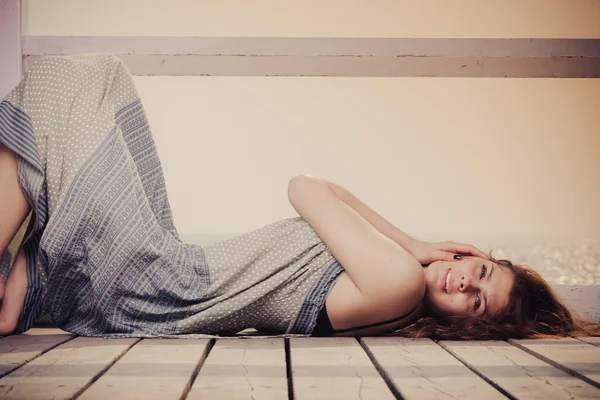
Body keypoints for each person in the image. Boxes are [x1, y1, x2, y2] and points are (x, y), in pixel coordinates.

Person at [0, 55, 597, 339]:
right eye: (482, 271)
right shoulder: (397, 276)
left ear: (473, 327)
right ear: (475, 255)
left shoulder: (401, 282)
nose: (464, 283)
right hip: (171, 274)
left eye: (478, 303)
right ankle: (25, 282)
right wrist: (411, 241)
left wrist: (410, 249)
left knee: (67, 82)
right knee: (108, 82)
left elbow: (304, 188)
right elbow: (328, 191)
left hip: (159, 287)